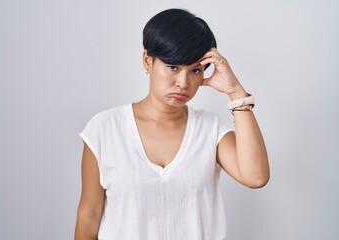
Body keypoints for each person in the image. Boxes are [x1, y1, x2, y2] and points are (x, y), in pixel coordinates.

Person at [74, 8, 269, 240]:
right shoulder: (105, 129)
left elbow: (255, 177)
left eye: (195, 70)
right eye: (173, 67)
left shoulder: (210, 129)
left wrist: (235, 92)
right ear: (148, 61)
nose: (183, 83)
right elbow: (89, 215)